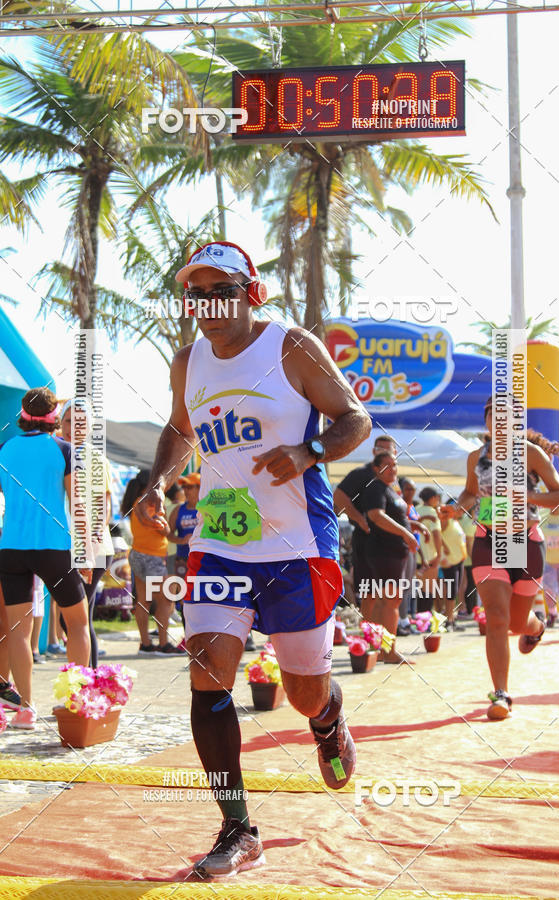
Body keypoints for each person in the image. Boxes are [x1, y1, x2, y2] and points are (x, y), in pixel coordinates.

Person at [135, 240, 371, 877]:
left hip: (298, 544)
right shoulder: (188, 362)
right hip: (220, 542)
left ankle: (327, 720)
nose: (208, 304)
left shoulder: (290, 347)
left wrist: (307, 453)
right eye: (196, 293)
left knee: (302, 692)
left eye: (222, 290)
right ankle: (238, 828)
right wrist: (158, 483)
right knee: (207, 669)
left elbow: (354, 419)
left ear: (251, 293)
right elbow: (181, 429)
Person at [457, 396, 559, 721]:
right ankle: (501, 693)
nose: (500, 421)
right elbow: (470, 493)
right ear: (487, 420)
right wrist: (455, 508)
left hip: (525, 542)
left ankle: (535, 625)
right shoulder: (476, 457)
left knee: (516, 624)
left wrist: (526, 495)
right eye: (494, 415)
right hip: (488, 540)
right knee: (496, 617)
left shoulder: (531, 454)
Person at [0, 387, 92, 729]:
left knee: (18, 632)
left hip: (12, 547)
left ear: (23, 414)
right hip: (53, 547)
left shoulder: (5, 448)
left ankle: (25, 709)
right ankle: (77, 701)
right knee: (78, 624)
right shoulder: (64, 450)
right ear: (53, 416)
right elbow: (78, 506)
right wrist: (86, 554)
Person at [58, 399, 114, 666]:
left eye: (80, 422)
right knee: (75, 618)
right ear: (60, 423)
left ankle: (89, 681)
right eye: (69, 421)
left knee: (76, 618)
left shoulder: (94, 458)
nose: (73, 427)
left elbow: (105, 505)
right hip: (68, 547)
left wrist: (91, 545)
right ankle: (89, 681)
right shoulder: (58, 452)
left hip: (94, 549)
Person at [333, 434, 397, 622]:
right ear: (373, 451)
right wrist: (359, 519)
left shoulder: (392, 478)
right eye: (380, 449)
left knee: (390, 594)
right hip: (369, 540)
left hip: (390, 545)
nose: (384, 452)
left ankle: (384, 633)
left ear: (395, 452)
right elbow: (338, 496)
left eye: (388, 450)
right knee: (371, 593)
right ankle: (369, 633)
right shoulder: (362, 474)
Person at [363, 453, 418, 662]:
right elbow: (376, 515)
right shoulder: (376, 488)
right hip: (384, 552)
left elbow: (397, 518)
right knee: (391, 601)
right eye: (387, 465)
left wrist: (413, 527)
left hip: (393, 553)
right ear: (376, 469)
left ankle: (378, 649)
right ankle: (389, 651)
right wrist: (405, 533)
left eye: (395, 465)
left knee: (384, 601)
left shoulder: (389, 489)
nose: (393, 469)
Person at [120, 470, 183, 655]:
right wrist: (166, 526)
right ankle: (163, 644)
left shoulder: (136, 502)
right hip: (152, 557)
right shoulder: (150, 503)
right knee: (165, 600)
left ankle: (146, 644)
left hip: (137, 554)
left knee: (143, 601)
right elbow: (164, 530)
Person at [397, 477, 430, 629]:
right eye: (408, 489)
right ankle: (402, 620)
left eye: (413, 489)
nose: (411, 492)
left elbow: (416, 534)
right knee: (403, 586)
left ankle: (406, 618)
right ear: (402, 490)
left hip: (413, 549)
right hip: (403, 548)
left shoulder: (412, 507)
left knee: (409, 587)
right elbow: (400, 524)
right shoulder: (400, 505)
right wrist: (418, 524)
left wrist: (422, 556)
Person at [438, 501, 466, 630]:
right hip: (448, 560)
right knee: (451, 590)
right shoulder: (445, 520)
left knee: (454, 591)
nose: (462, 512)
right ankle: (448, 620)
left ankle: (451, 619)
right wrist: (445, 547)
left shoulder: (456, 522)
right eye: (459, 509)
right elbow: (437, 533)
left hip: (458, 559)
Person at [168, 474, 201, 580]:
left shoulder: (208, 509)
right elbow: (168, 534)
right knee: (183, 589)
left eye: (189, 487)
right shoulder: (178, 510)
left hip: (204, 559)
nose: (186, 490)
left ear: (200, 488)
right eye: (184, 487)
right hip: (183, 559)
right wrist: (181, 540)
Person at [415, 487, 442, 609]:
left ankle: (418, 616)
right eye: (437, 498)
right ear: (432, 498)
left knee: (418, 590)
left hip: (415, 555)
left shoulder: (416, 509)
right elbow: (436, 534)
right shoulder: (432, 512)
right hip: (429, 556)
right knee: (428, 589)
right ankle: (425, 616)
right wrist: (439, 554)